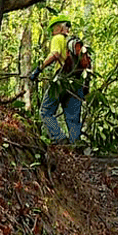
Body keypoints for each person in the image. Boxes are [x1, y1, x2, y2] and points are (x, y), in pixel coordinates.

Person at [29, 15, 86, 144]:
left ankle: (59, 139)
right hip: (76, 81)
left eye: (53, 29)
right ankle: (75, 148)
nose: (52, 32)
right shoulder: (72, 42)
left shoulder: (58, 38)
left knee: (46, 111)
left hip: (62, 78)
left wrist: (39, 69)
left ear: (58, 28)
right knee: (73, 118)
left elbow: (55, 54)